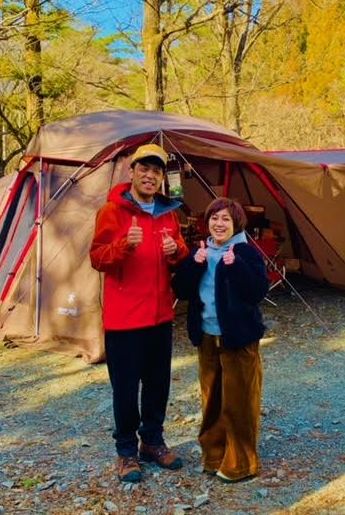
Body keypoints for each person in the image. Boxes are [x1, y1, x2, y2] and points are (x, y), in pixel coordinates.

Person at [90, 143, 189, 483]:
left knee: (158, 385)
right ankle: (126, 452)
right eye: (144, 169)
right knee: (125, 389)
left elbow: (180, 255)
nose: (150, 176)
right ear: (131, 172)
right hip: (124, 320)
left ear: (162, 177)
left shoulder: (168, 213)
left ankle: (153, 442)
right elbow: (97, 258)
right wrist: (124, 246)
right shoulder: (111, 212)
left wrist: (177, 250)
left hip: (160, 316)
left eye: (156, 171)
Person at [172, 197, 269, 483]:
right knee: (211, 398)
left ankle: (241, 463)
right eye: (214, 218)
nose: (219, 223)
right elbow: (179, 289)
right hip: (206, 335)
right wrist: (194, 264)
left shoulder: (246, 252)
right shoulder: (201, 251)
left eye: (226, 218)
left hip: (238, 338)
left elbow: (258, 292)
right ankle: (213, 455)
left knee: (239, 402)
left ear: (236, 223)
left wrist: (237, 266)